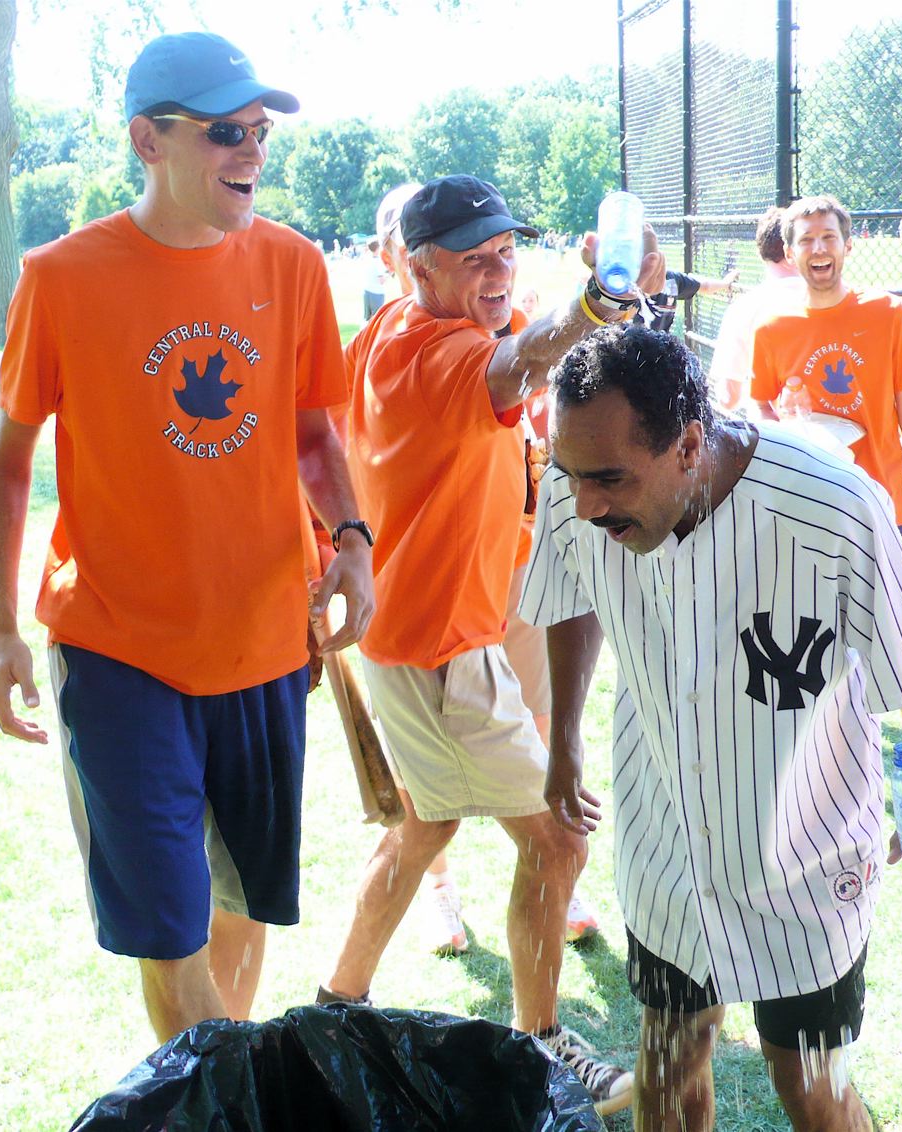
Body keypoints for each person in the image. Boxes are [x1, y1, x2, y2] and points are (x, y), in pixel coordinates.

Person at [0, 31, 375, 1046]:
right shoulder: (61, 276)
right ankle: (221, 1102)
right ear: (148, 141)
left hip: (266, 642)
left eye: (261, 132)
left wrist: (355, 539)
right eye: (225, 133)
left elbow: (315, 436)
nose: (250, 152)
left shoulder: (290, 264)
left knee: (243, 907)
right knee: (169, 928)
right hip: (118, 649)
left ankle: (206, 1094)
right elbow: (8, 459)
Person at [522, 323, 902, 1132]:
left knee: (807, 1083)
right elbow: (566, 591)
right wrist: (564, 738)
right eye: (568, 477)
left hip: (805, 862)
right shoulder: (579, 489)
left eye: (608, 481)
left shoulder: (830, 506)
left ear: (689, 444)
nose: (584, 504)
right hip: (664, 845)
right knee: (668, 1060)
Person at [320, 174, 666, 1117]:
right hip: (440, 648)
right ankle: (541, 1045)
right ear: (417, 264)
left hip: (415, 638)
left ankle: (333, 1007)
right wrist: (594, 305)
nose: (497, 271)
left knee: (423, 826)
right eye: (474, 259)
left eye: (506, 251)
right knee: (557, 842)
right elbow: (518, 367)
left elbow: (532, 366)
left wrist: (614, 311)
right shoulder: (434, 352)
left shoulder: (394, 329)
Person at [751, 195, 902, 563]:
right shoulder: (771, 328)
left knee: (894, 619)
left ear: (848, 245)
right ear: (790, 254)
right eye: (806, 240)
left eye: (828, 237)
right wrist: (787, 426)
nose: (819, 248)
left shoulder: (887, 313)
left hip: (883, 503)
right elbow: (761, 404)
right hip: (809, 505)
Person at [706, 207, 803, 412]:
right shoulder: (832, 300)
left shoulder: (744, 309)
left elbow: (729, 397)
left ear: (760, 252)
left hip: (772, 435)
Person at [634, 267, 738, 332]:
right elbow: (705, 286)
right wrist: (725, 283)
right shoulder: (672, 278)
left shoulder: (631, 282)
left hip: (632, 352)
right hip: (662, 351)